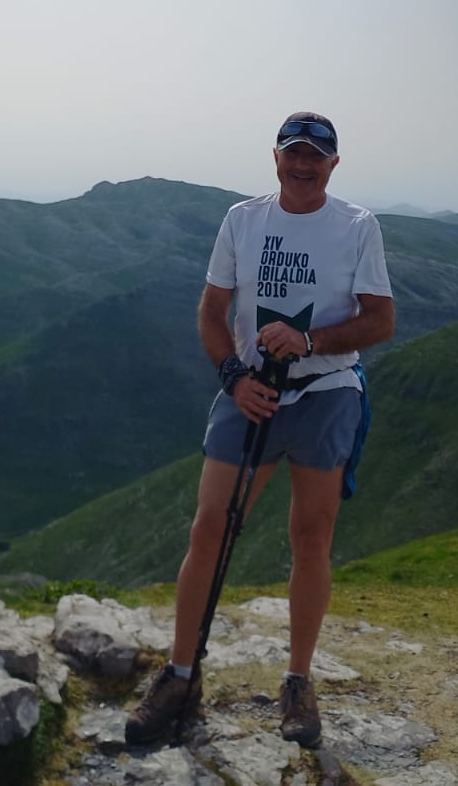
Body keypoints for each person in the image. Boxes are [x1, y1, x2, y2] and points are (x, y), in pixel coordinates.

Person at [126, 111, 395, 747]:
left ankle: (298, 681)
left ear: (333, 164)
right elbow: (212, 309)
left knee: (311, 536)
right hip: (249, 391)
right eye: (293, 153)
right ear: (275, 157)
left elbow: (380, 321)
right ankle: (180, 674)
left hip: (327, 392)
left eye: (315, 156)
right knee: (209, 527)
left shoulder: (357, 226)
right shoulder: (242, 221)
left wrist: (310, 340)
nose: (303, 165)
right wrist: (232, 378)